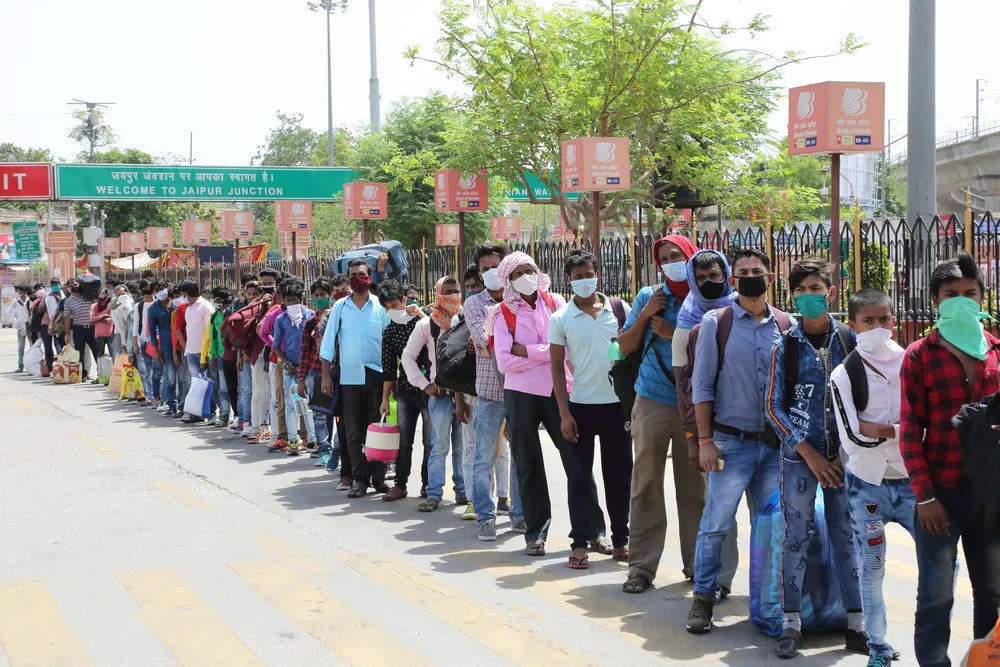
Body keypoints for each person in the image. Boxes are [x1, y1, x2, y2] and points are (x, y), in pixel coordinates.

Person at [900, 254, 1000, 667]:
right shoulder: (920, 355)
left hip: (992, 495)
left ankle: (986, 661)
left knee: (993, 594)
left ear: (982, 297)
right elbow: (909, 432)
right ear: (936, 301)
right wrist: (925, 498)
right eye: (951, 295)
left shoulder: (997, 351)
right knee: (937, 593)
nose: (962, 300)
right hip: (940, 491)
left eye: (969, 294)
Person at [685, 248, 791, 633]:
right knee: (716, 524)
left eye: (757, 270)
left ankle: (769, 601)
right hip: (731, 445)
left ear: (771, 277)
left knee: (771, 526)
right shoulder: (718, 322)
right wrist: (705, 439)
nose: (750, 276)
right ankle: (702, 598)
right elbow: (702, 387)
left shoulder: (786, 324)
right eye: (743, 271)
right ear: (732, 281)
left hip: (773, 447)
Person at [765, 256, 863, 659]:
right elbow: (774, 408)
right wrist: (808, 452)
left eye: (816, 289)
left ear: (831, 292)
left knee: (847, 538)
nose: (809, 296)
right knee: (796, 539)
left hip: (846, 461)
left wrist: (842, 453)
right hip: (798, 461)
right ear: (792, 295)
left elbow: (863, 399)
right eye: (801, 290)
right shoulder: (784, 345)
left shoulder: (849, 341)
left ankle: (858, 624)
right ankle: (792, 624)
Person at [489, 251, 599, 557]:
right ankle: (535, 533)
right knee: (528, 465)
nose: (524, 276)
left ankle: (593, 530)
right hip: (521, 395)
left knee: (577, 460)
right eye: (516, 274)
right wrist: (546, 352)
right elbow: (505, 361)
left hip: (559, 391)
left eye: (528, 269)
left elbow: (567, 348)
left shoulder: (556, 304)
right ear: (508, 280)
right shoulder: (502, 313)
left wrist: (528, 351)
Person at [828, 289, 911, 667]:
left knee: (942, 564)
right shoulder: (844, 373)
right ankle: (877, 647)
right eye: (868, 321)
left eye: (884, 320)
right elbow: (854, 437)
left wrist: (885, 428)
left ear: (894, 320)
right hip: (867, 485)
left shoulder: (912, 364)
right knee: (872, 564)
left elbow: (929, 426)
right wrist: (905, 430)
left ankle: (930, 638)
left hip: (915, 483)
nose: (878, 328)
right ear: (853, 324)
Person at [616, 234, 700, 594]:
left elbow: (717, 346)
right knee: (646, 483)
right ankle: (641, 567)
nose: (670, 262)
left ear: (691, 257)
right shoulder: (648, 296)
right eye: (663, 257)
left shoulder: (705, 296)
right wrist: (647, 314)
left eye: (676, 255)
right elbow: (623, 346)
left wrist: (673, 333)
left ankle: (699, 565)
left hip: (695, 405)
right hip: (651, 398)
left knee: (695, 486)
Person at [549, 249, 633, 568]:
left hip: (617, 409)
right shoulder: (561, 319)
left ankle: (622, 540)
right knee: (580, 478)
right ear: (568, 279)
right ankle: (579, 543)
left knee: (619, 476)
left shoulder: (618, 309)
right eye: (578, 276)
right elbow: (557, 368)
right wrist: (564, 413)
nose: (584, 280)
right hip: (580, 407)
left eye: (589, 273)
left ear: (597, 273)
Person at [464, 243, 520, 541]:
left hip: (522, 391)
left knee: (523, 456)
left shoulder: (523, 297)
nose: (490, 272)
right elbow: (485, 342)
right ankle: (485, 517)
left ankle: (520, 513)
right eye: (484, 268)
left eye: (494, 266)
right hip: (489, 392)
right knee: (484, 458)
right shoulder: (474, 303)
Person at [320, 258, 389, 498]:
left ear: (370, 277)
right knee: (354, 432)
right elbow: (328, 343)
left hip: (377, 377)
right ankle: (359, 480)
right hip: (349, 377)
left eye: (361, 273)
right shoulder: (340, 307)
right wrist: (326, 375)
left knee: (378, 429)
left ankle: (378, 478)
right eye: (352, 274)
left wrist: (393, 380)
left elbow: (388, 345)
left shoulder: (381, 307)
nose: (357, 278)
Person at [401, 276, 466, 512]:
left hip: (464, 394)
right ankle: (434, 492)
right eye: (447, 291)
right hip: (439, 395)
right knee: (439, 446)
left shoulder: (464, 319)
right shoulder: (426, 325)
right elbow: (407, 357)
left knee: (462, 447)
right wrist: (425, 384)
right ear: (438, 294)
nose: (452, 296)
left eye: (456, 291)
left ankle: (463, 491)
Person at [379, 279, 431, 500]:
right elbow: (388, 369)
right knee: (404, 440)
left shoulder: (423, 318)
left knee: (430, 441)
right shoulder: (390, 331)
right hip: (406, 389)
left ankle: (429, 486)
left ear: (404, 299)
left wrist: (419, 314)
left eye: (394, 304)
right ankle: (400, 484)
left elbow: (438, 336)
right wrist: (384, 399)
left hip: (430, 388)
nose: (392, 310)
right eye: (387, 307)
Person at [454, 265, 486, 520]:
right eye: (470, 288)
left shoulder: (499, 312)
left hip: (497, 392)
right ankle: (473, 499)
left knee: (502, 451)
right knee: (472, 448)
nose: (474, 291)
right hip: (469, 394)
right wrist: (458, 401)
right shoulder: (460, 319)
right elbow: (456, 365)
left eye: (478, 286)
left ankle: (501, 498)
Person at [272, 277, 315, 455]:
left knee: (309, 405)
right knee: (290, 405)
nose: (292, 303)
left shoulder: (310, 316)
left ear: (301, 299)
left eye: (294, 300)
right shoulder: (281, 320)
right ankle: (292, 440)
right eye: (288, 300)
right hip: (290, 368)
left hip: (307, 368)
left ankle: (312, 440)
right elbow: (276, 345)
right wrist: (287, 363)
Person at [297, 278, 337, 467]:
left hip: (337, 372)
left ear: (330, 295)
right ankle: (323, 450)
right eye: (316, 295)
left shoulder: (337, 316)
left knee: (339, 414)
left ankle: (338, 450)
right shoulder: (310, 323)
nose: (320, 298)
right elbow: (304, 352)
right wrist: (301, 379)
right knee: (320, 414)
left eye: (323, 294)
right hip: (316, 372)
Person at [179, 279, 215, 424]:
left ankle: (213, 413)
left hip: (204, 352)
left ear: (187, 293)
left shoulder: (205, 307)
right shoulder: (189, 308)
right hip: (192, 352)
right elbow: (189, 332)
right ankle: (197, 413)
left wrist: (208, 354)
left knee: (208, 385)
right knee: (196, 385)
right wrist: (187, 352)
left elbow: (211, 332)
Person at [201, 286, 234, 428]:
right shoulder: (214, 316)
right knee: (222, 388)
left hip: (233, 355)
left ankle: (238, 416)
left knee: (236, 388)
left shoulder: (233, 313)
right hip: (220, 356)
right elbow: (213, 338)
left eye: (215, 298)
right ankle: (225, 415)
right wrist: (212, 356)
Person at [234, 279, 262, 437]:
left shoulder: (264, 310)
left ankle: (257, 423)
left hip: (258, 355)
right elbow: (240, 338)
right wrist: (240, 355)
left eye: (255, 294)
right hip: (245, 356)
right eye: (249, 294)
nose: (252, 297)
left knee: (260, 391)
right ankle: (245, 422)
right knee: (247, 389)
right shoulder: (244, 311)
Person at [147, 283, 177, 414]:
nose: (160, 292)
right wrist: (157, 351)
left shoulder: (177, 304)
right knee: (170, 376)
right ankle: (171, 405)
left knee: (183, 378)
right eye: (157, 291)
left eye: (162, 290)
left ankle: (184, 405)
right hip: (165, 345)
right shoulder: (153, 309)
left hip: (181, 343)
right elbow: (152, 332)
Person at [63, 277, 100, 381]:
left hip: (92, 329)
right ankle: (83, 374)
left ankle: (101, 374)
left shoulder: (88, 297)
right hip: (79, 329)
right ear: (68, 288)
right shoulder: (68, 301)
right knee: (80, 353)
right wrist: (67, 334)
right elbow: (67, 318)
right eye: (71, 286)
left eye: (75, 285)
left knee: (97, 351)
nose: (74, 287)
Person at [132, 280, 158, 404]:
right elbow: (135, 325)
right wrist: (135, 343)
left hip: (156, 341)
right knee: (148, 370)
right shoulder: (139, 306)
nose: (148, 290)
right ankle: (149, 395)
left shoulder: (158, 304)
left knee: (158, 370)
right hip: (143, 341)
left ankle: (158, 395)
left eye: (150, 287)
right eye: (145, 288)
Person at [170, 285, 191, 417]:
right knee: (183, 380)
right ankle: (182, 407)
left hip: (196, 349)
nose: (179, 298)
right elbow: (176, 332)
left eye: (181, 295)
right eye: (175, 296)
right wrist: (179, 352)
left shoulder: (202, 306)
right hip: (182, 348)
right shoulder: (180, 309)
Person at [8, 284, 30, 372]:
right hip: (21, 327)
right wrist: (14, 322)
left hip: (29, 327)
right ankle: (21, 366)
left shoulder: (29, 300)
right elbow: (9, 311)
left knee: (33, 346)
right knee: (21, 347)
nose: (19, 292)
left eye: (20, 290)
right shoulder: (15, 301)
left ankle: (32, 364)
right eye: (17, 291)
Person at [41, 279, 63, 369]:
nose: (55, 286)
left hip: (60, 324)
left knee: (60, 346)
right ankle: (50, 369)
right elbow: (43, 310)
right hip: (48, 323)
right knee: (48, 347)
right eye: (52, 285)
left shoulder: (63, 295)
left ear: (59, 284)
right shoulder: (47, 296)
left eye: (56, 284)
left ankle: (61, 367)